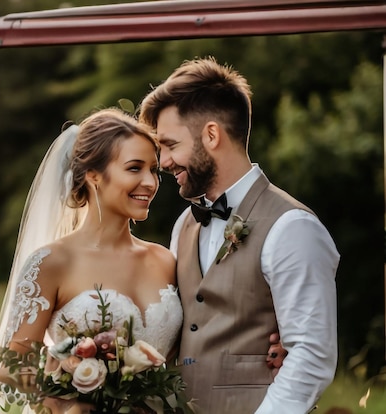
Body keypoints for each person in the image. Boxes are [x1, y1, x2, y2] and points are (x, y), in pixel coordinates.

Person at [139, 56, 339, 414]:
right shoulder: (184, 224)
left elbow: (311, 355)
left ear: (211, 135)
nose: (164, 161)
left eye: (170, 145)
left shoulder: (293, 227)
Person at [0, 108, 183, 414]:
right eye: (135, 168)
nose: (150, 182)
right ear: (93, 176)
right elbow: (12, 364)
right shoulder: (53, 262)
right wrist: (68, 398)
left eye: (154, 170)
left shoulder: (165, 259)